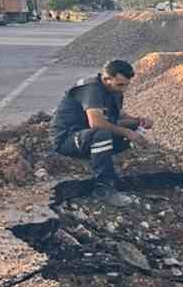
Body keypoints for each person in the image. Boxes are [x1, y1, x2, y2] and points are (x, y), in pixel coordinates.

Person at [49, 59, 152, 204]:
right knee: (101, 133)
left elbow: (117, 116)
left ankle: (110, 169)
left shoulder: (114, 90)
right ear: (106, 79)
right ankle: (104, 189)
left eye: (126, 85)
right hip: (67, 138)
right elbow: (96, 123)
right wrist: (127, 133)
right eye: (120, 85)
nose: (123, 89)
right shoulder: (92, 89)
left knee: (131, 128)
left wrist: (138, 121)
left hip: (86, 135)